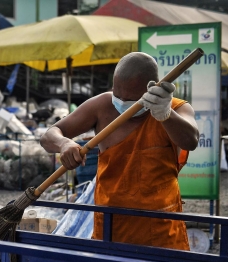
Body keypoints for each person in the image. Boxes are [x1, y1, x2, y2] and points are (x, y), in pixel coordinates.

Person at [40, 52, 199, 250]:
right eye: (118, 94)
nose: (121, 102)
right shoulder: (103, 105)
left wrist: (166, 115)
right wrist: (64, 144)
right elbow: (49, 136)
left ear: (152, 88)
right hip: (110, 225)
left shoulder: (176, 109)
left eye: (130, 99)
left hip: (161, 228)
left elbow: (191, 140)